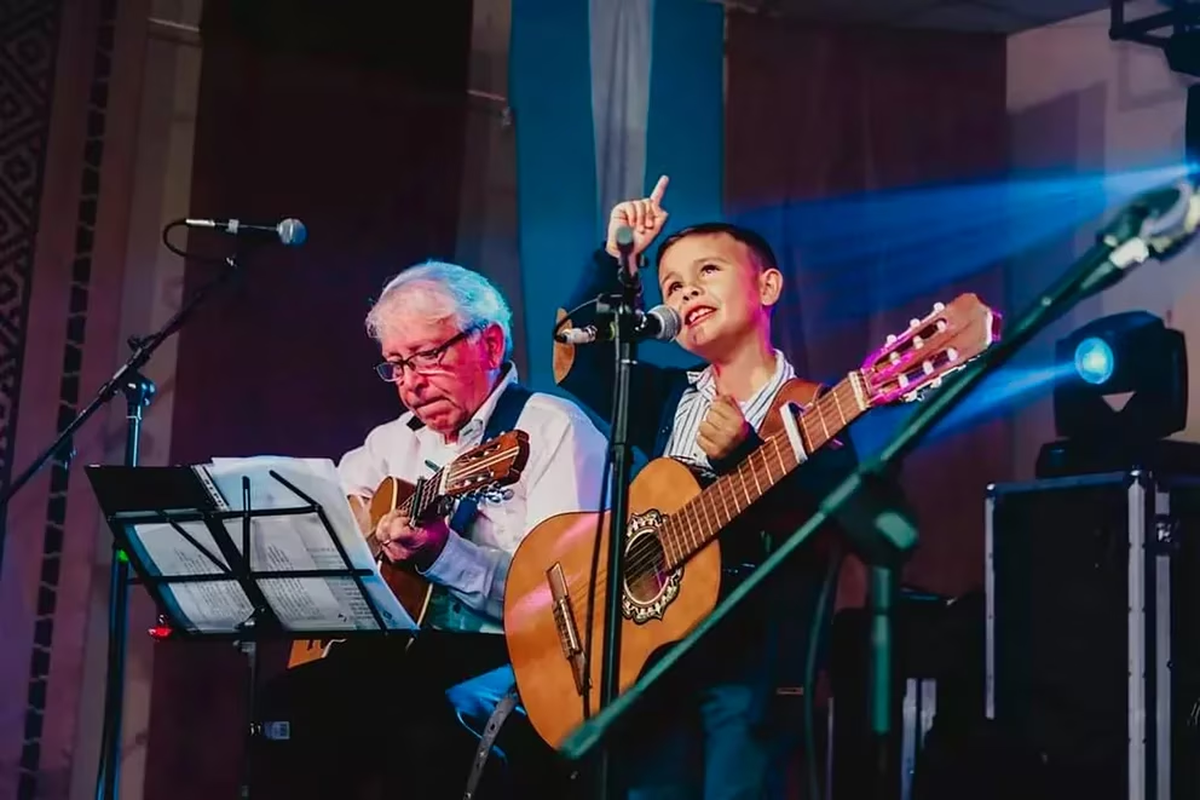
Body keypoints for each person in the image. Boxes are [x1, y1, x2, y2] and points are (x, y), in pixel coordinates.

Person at [553, 176, 860, 798]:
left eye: (708, 271)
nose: (686, 290)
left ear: (767, 286)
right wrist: (616, 260)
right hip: (655, 660)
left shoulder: (813, 409)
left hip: (751, 668)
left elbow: (837, 517)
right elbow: (574, 356)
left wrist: (748, 453)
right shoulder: (667, 395)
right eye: (671, 285)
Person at [255, 261, 609, 799]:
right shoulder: (389, 443)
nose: (411, 384)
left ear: (490, 344)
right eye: (395, 365)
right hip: (402, 655)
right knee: (283, 712)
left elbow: (565, 606)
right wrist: (358, 533)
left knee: (424, 725)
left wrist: (443, 554)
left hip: (517, 663)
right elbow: (334, 515)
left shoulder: (553, 430)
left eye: (427, 356)